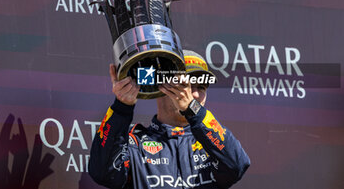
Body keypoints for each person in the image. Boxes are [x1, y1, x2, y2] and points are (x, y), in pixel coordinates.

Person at [89, 50, 250, 188]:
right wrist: (121, 108)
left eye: (200, 87)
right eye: (184, 85)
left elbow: (237, 166)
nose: (193, 94)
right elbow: (104, 174)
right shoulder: (135, 143)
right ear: (161, 88)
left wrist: (193, 110)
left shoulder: (211, 142)